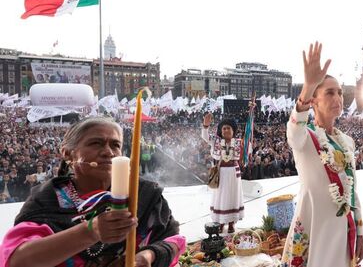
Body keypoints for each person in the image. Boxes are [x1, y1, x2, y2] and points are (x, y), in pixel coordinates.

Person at [0, 116, 185, 267]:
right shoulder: (48, 198)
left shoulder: (143, 194)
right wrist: (90, 231)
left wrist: (149, 255)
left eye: (115, 145)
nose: (108, 152)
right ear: (67, 153)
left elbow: (173, 239)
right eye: (96, 143)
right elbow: (16, 260)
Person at [281, 42, 363, 267]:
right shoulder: (305, 138)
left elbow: (352, 189)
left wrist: (359, 231)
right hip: (314, 225)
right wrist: (308, 86)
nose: (338, 97)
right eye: (329, 92)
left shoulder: (347, 142)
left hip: (341, 229)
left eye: (339, 92)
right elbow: (293, 130)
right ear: (314, 101)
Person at [201, 113, 244, 234]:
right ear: (221, 130)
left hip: (234, 173)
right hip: (221, 173)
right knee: (220, 197)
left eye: (228, 128)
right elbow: (205, 137)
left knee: (233, 196)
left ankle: (231, 223)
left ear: (233, 130)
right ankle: (220, 222)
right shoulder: (216, 141)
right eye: (224, 128)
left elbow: (248, 150)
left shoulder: (239, 142)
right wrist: (205, 125)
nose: (226, 130)